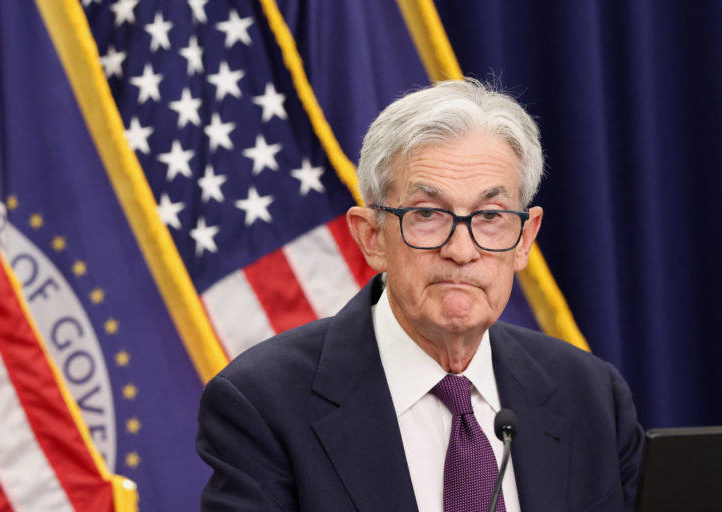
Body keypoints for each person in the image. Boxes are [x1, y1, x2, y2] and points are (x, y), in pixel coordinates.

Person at [196, 78, 644, 512]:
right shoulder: (262, 403)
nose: (462, 250)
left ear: (525, 238)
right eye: (428, 213)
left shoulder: (591, 397)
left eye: (490, 215)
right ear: (372, 236)